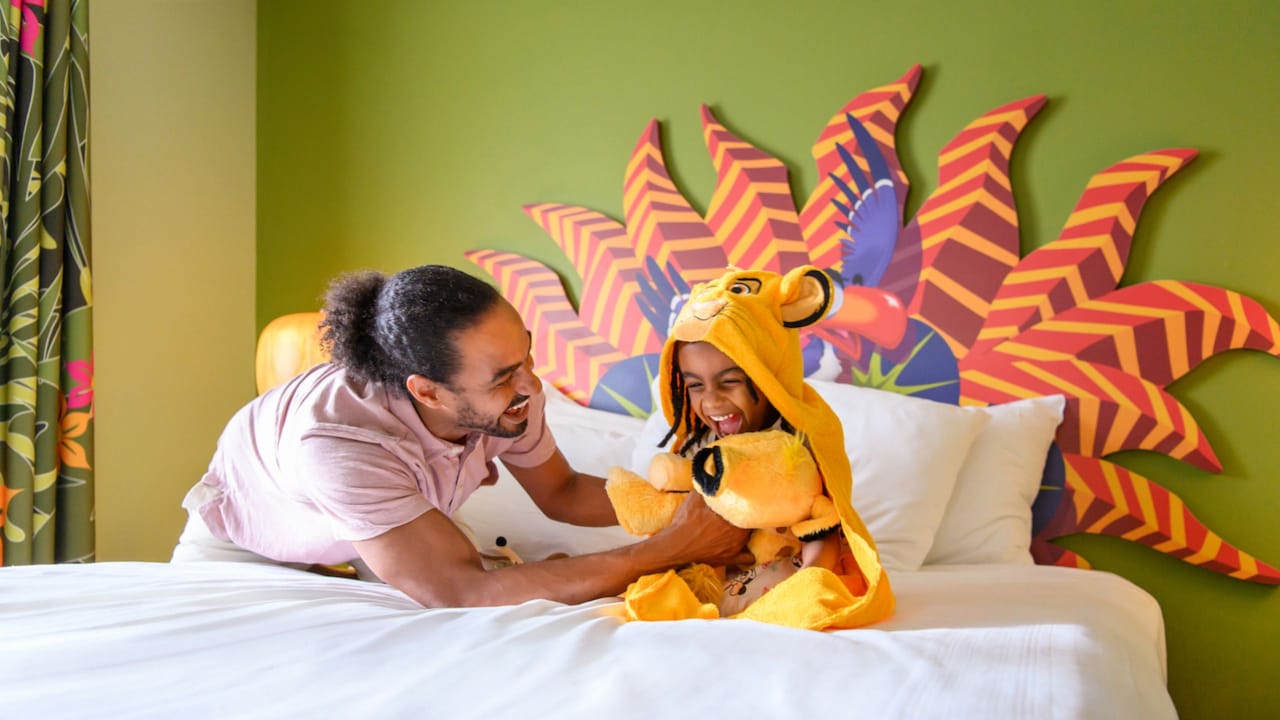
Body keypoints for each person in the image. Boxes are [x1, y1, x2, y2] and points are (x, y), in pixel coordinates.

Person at [171, 264, 749, 609]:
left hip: (385, 526)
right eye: (502, 377)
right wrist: (671, 548)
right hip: (252, 548)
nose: (531, 384)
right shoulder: (338, 444)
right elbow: (458, 592)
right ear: (427, 392)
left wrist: (700, 504)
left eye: (525, 354)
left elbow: (564, 492)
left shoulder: (509, 399)